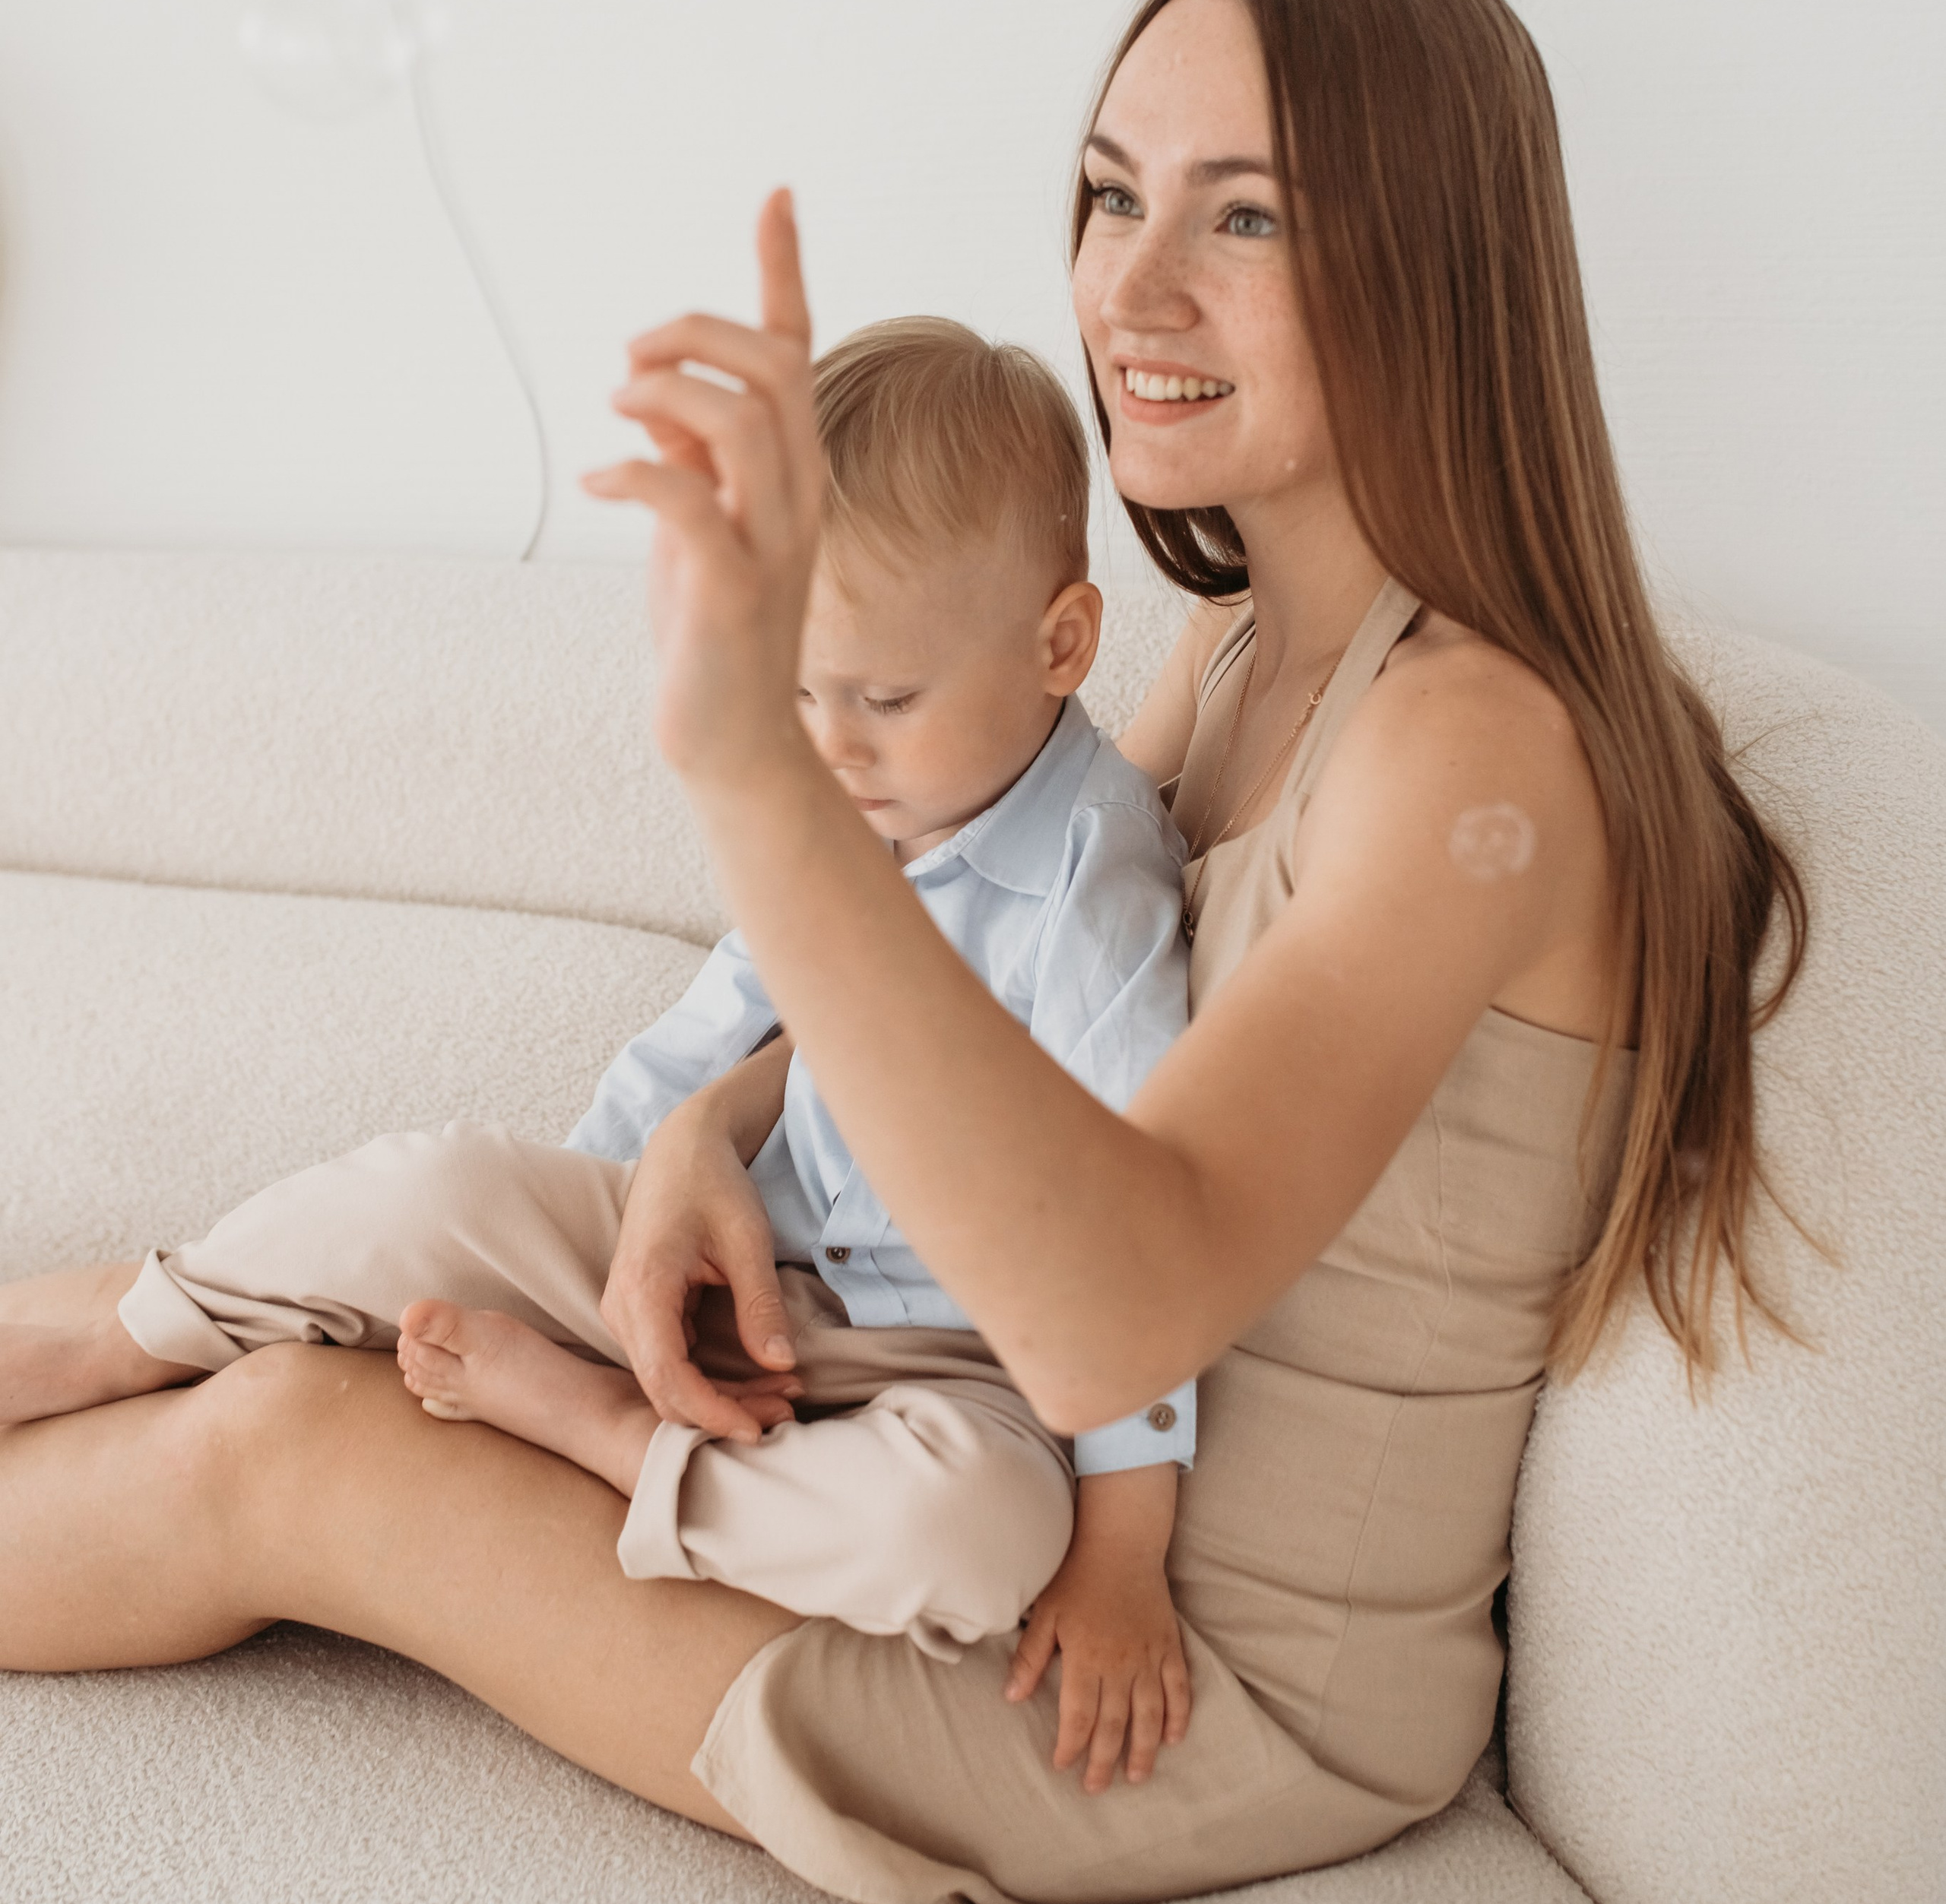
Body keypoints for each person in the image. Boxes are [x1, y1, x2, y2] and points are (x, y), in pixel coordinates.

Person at [0, 0, 1805, 1904]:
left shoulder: (1475, 752)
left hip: (1162, 1669)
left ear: (1430, 271)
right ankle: (81, 1338)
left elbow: (1130, 1293)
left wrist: (754, 767)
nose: (1133, 285)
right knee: (394, 1239)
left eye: (1248, 218)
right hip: (934, 1387)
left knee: (295, 1454)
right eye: (1114, 193)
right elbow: (1019, 996)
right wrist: (721, 1118)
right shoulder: (1231, 656)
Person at [36, 320, 1200, 1773]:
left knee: (965, 1536)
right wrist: (613, 1246)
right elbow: (709, 1028)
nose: (830, 750)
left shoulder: (1095, 894)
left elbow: (1142, 1267)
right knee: (432, 1192)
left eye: (884, 702)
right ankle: (130, 1333)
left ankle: (605, 1440)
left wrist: (1126, 1555)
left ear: (1062, 645)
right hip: (740, 1264)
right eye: (793, 693)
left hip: (947, 1370)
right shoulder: (856, 809)